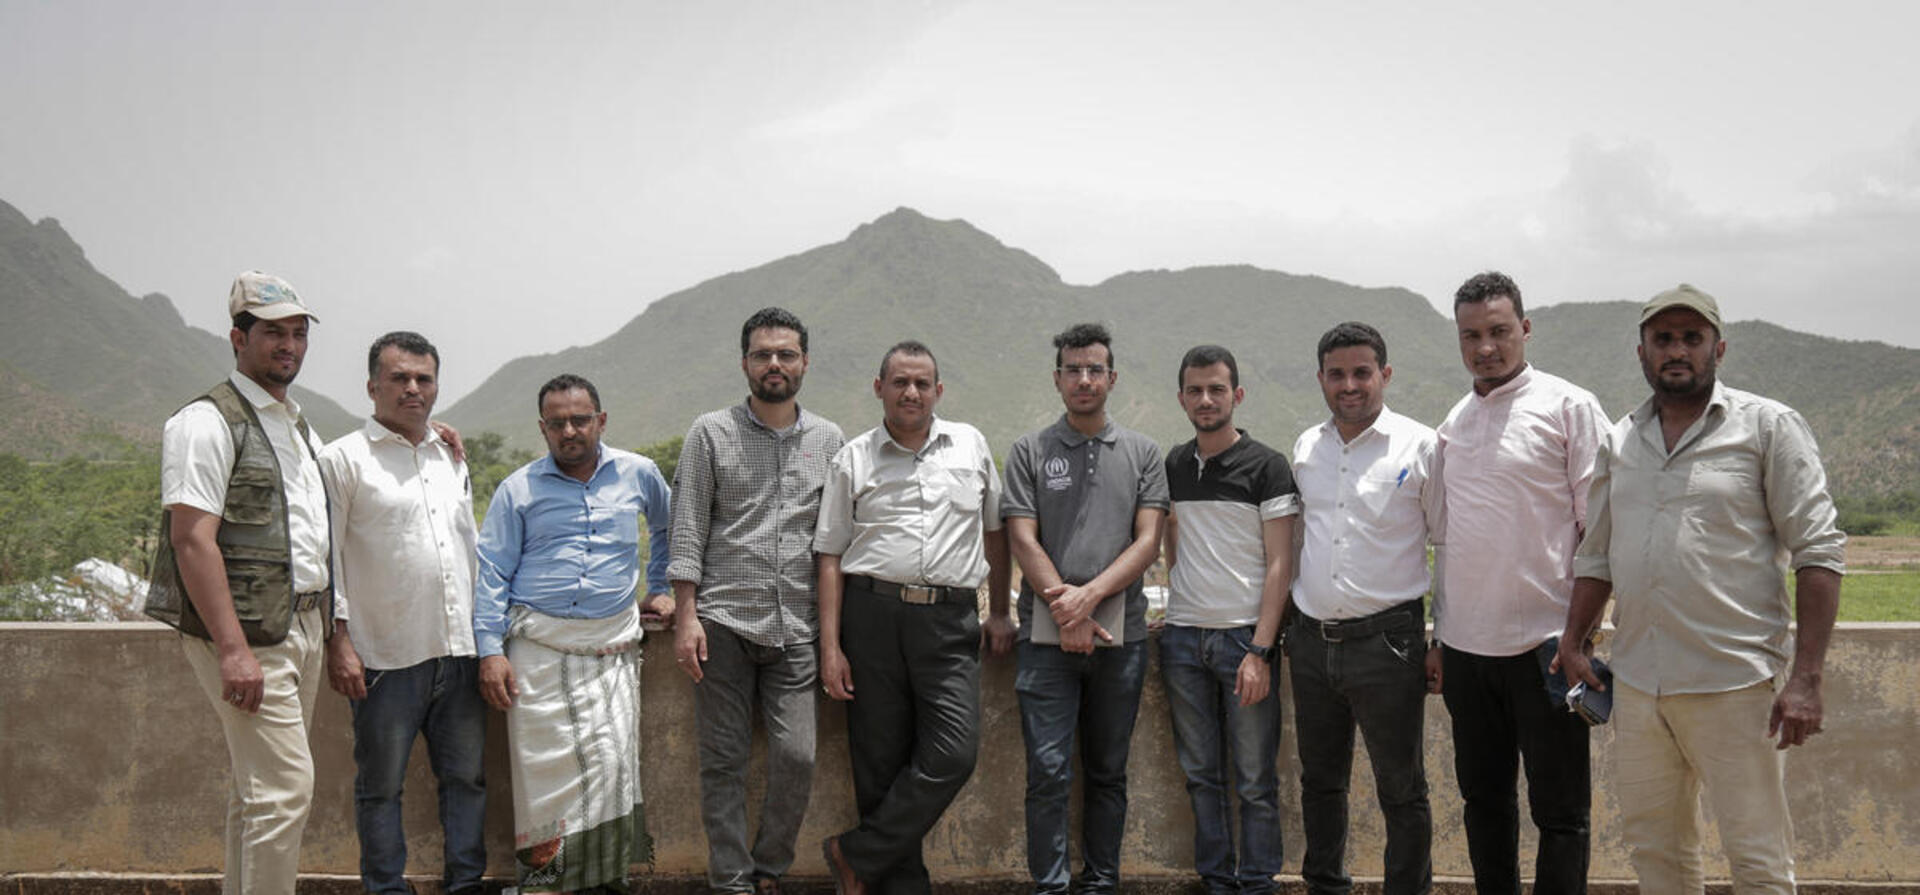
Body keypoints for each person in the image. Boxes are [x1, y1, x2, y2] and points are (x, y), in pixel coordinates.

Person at [1555, 285, 1846, 891]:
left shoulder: (1767, 427)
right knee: (1656, 854)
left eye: (1692, 337)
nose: (1677, 350)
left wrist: (1807, 678)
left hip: (1735, 685)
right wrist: (1573, 640)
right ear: (1642, 353)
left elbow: (1818, 552)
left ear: (1719, 348)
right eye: (1663, 339)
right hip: (1639, 685)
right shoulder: (1620, 440)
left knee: (1758, 860)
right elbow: (1597, 554)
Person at [142, 271, 333, 895]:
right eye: (274, 332)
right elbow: (191, 539)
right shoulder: (206, 422)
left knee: (258, 793)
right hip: (250, 634)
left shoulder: (297, 426)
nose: (289, 345)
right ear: (238, 338)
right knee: (284, 792)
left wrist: (429, 438)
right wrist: (232, 649)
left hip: (301, 624)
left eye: (298, 333)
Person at [1430, 271, 1607, 894]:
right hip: (1466, 652)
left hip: (1549, 649)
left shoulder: (1569, 407)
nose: (1486, 347)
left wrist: (1579, 638)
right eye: (1471, 335)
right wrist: (1439, 636)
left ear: (1525, 329)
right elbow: (1450, 542)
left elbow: (1599, 534)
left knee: (1560, 813)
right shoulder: (1454, 423)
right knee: (1484, 804)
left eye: (1499, 331)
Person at [815, 340, 1012, 895]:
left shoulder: (970, 444)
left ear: (938, 391)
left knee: (954, 753)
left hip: (949, 622)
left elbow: (995, 533)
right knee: (878, 762)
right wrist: (831, 647)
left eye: (922, 383)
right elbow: (829, 555)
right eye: (900, 382)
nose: (911, 392)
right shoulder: (853, 457)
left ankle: (854, 853)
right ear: (879, 388)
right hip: (871, 616)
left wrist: (1000, 611)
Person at [474, 373, 673, 894]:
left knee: (611, 763)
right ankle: (547, 884)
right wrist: (489, 651)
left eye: (580, 420)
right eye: (557, 423)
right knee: (542, 776)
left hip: (611, 649)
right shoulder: (518, 489)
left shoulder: (639, 473)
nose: (569, 431)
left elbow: (669, 526)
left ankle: (603, 882)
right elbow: (491, 572)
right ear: (542, 428)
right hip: (537, 651)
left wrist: (660, 587)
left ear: (600, 421)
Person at [669, 308, 845, 895]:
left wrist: (832, 637)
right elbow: (688, 527)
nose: (774, 364)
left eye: (786, 354)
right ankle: (731, 881)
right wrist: (686, 617)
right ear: (745, 362)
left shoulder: (829, 440)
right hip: (722, 622)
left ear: (804, 363)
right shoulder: (710, 433)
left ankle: (769, 867)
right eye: (763, 354)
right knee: (723, 760)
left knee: (798, 757)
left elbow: (834, 542)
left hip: (797, 629)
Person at [1002, 323, 1169, 895]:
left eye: (1095, 369)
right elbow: (1023, 539)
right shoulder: (1029, 451)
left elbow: (1147, 542)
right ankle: (1050, 886)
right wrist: (1065, 610)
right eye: (1073, 370)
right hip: (1043, 641)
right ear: (1057, 379)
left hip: (1122, 639)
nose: (1084, 379)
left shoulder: (1144, 453)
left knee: (1108, 772)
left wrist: (1087, 598)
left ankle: (1101, 883)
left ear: (1112, 378)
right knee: (1047, 772)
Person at [318, 331, 486, 895]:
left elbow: (467, 547)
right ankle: (385, 888)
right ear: (373, 387)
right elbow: (328, 556)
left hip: (459, 652)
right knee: (380, 788)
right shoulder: (343, 459)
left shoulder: (449, 454)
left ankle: (465, 883)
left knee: (466, 780)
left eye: (423, 378)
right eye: (399, 378)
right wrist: (338, 640)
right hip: (384, 657)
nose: (413, 388)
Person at [1289, 323, 1438, 894]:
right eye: (1337, 374)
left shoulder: (1420, 446)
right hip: (1311, 641)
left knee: (1401, 788)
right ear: (1320, 379)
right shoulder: (1307, 448)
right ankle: (1325, 886)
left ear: (1385, 375)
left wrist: (1441, 638)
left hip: (1389, 644)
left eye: (1361, 372)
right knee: (1320, 783)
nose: (1348, 385)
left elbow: (1448, 544)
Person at [1160, 345, 1295, 895]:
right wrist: (1177, 599)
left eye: (1216, 389)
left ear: (1236, 395)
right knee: (1200, 775)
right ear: (1181, 399)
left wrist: (1261, 650)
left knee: (1255, 779)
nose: (1206, 399)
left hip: (1244, 640)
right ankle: (1217, 881)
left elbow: (1281, 563)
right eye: (1195, 390)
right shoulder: (1173, 464)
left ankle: (1257, 883)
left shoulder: (1267, 466)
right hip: (1182, 640)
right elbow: (1172, 536)